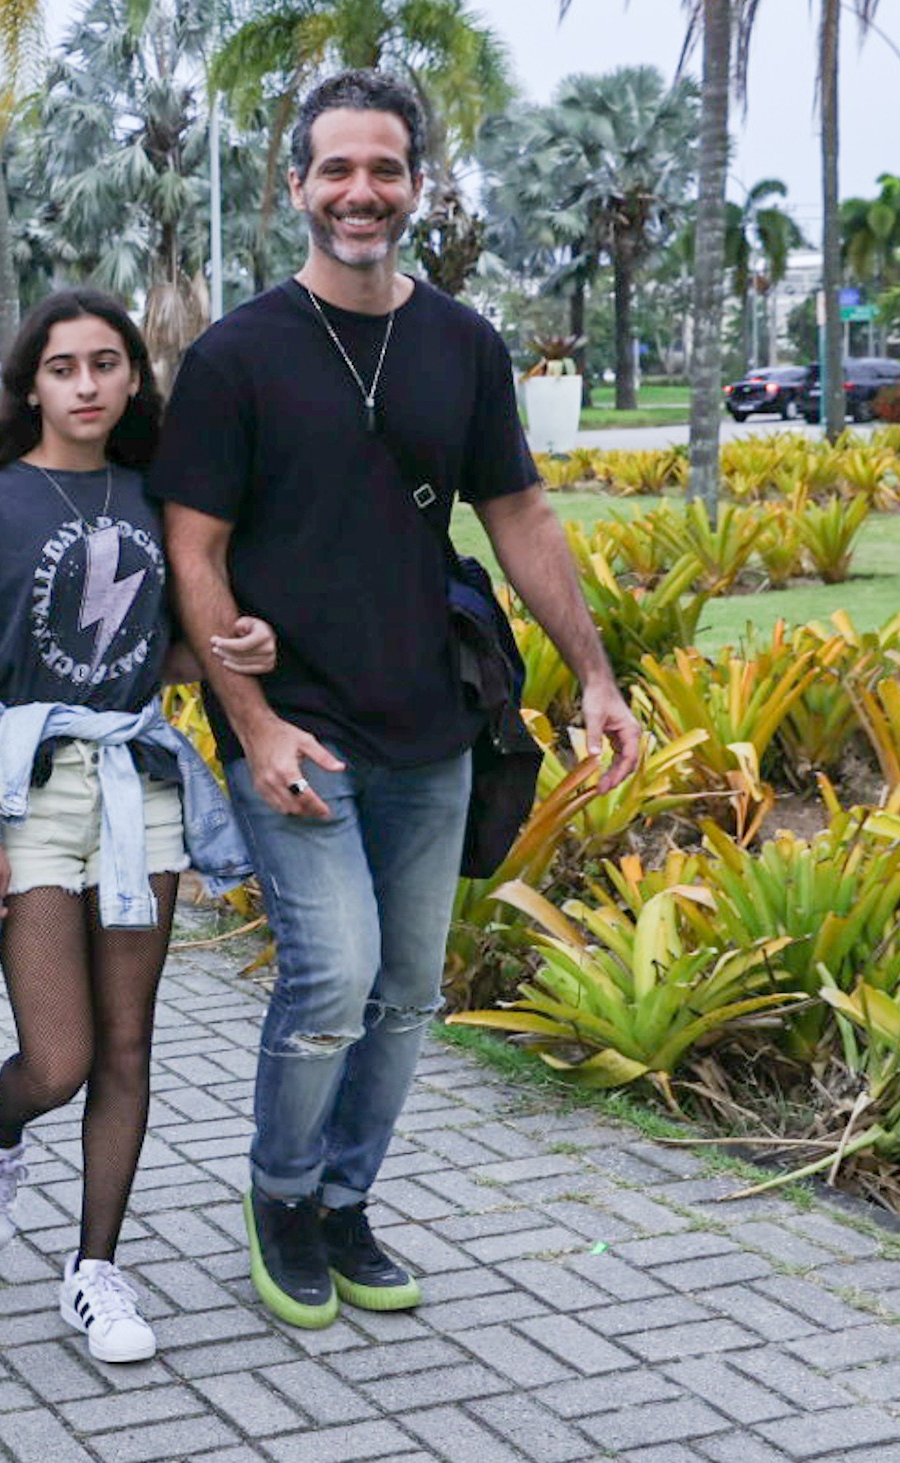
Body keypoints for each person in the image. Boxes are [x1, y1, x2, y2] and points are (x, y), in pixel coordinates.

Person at [151, 69, 642, 1331]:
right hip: (296, 729)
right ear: (297, 186)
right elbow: (192, 549)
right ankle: (277, 1194)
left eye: (383, 170)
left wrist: (594, 673)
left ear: (415, 185)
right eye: (335, 170)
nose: (358, 193)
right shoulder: (236, 354)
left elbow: (519, 513)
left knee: (407, 989)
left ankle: (344, 1201)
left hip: (431, 727)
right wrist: (249, 726)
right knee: (332, 976)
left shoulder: (462, 344)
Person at [0, 288, 278, 1363]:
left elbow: (158, 643)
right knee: (58, 1057)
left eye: (105, 364)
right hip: (29, 796)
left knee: (126, 1043)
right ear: (31, 384)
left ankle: (94, 1268)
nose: (84, 384)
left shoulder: (158, 494)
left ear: (130, 378)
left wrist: (228, 647)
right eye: (62, 366)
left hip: (137, 790)